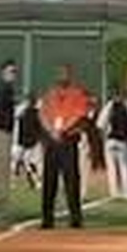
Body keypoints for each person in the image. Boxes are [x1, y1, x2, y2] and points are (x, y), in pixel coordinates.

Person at [39, 65, 96, 231]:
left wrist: (62, 130)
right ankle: (47, 218)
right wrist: (51, 130)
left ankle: (75, 218)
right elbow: (42, 114)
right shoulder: (50, 94)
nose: (62, 76)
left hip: (68, 140)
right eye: (60, 73)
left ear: (70, 76)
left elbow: (80, 115)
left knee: (71, 180)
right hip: (52, 142)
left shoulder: (77, 94)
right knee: (49, 181)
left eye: (65, 73)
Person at [0, 60, 21, 220]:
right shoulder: (1, 89)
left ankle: (3, 207)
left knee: (4, 171)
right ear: (3, 73)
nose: (13, 74)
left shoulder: (9, 90)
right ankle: (1, 209)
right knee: (0, 172)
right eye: (10, 71)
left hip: (5, 133)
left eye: (15, 72)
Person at [103, 88, 127, 201]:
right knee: (124, 168)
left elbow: (100, 124)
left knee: (112, 169)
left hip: (110, 140)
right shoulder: (125, 107)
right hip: (122, 141)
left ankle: (114, 193)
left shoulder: (109, 106)